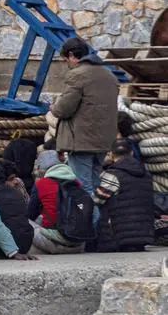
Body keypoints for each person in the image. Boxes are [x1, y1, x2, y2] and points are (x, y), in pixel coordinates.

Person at [51, 36, 119, 193]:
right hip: (103, 141)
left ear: (71, 56)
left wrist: (54, 107)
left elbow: (64, 109)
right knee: (95, 183)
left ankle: (88, 218)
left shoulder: (77, 75)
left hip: (81, 141)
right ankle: (98, 217)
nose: (67, 64)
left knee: (82, 187)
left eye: (65, 60)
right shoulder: (110, 76)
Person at [94, 139, 155, 252]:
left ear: (111, 154)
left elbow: (97, 199)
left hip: (118, 238)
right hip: (145, 235)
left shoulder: (113, 174)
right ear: (131, 153)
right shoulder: (146, 174)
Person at [27, 150, 86, 255]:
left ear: (41, 168)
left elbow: (30, 214)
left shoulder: (41, 184)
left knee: (24, 221)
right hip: (80, 242)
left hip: (55, 244)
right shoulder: (76, 182)